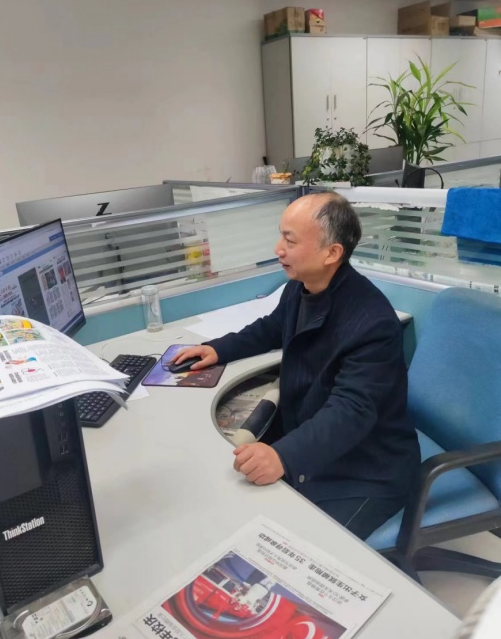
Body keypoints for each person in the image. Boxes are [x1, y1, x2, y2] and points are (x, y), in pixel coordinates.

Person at [172, 192, 420, 540]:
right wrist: (218, 348)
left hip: (366, 469)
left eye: (290, 240)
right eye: (281, 236)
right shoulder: (301, 287)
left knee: (302, 546)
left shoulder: (372, 322)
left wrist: (284, 456)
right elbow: (272, 328)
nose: (278, 249)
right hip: (317, 444)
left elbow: (351, 412)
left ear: (331, 253)